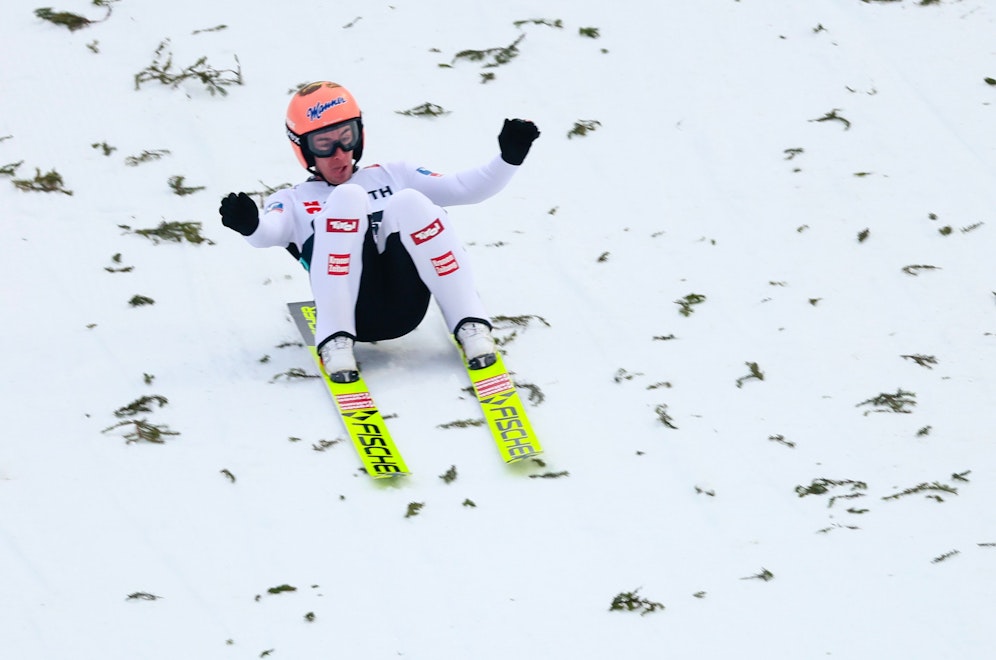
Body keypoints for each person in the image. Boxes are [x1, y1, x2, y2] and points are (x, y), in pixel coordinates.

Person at [219, 81, 540, 383]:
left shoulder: (394, 174)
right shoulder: (292, 200)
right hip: (355, 312)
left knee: (411, 201)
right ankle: (335, 341)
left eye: (346, 137)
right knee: (347, 198)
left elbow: (463, 188)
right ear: (304, 149)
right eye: (324, 143)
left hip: (407, 302)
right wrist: (250, 224)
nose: (339, 153)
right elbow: (267, 233)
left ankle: (469, 323)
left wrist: (508, 160)